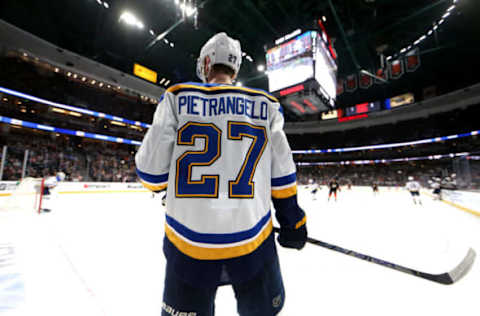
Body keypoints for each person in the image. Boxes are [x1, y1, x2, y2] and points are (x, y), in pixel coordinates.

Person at [135, 32, 307, 316]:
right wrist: (293, 224)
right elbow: (282, 176)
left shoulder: (176, 98)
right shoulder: (266, 105)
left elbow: (151, 175)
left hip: (189, 246)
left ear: (205, 63)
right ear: (235, 67)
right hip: (252, 243)